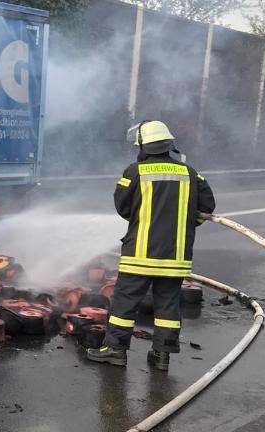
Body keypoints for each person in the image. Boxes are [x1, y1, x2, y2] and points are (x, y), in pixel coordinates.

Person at [87, 120, 215, 371]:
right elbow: (207, 207)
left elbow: (122, 207)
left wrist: (143, 217)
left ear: (143, 146)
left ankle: (115, 350)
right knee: (168, 303)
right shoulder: (191, 174)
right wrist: (185, 224)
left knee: (124, 302)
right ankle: (162, 355)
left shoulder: (134, 172)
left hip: (139, 255)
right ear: (168, 144)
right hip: (175, 256)